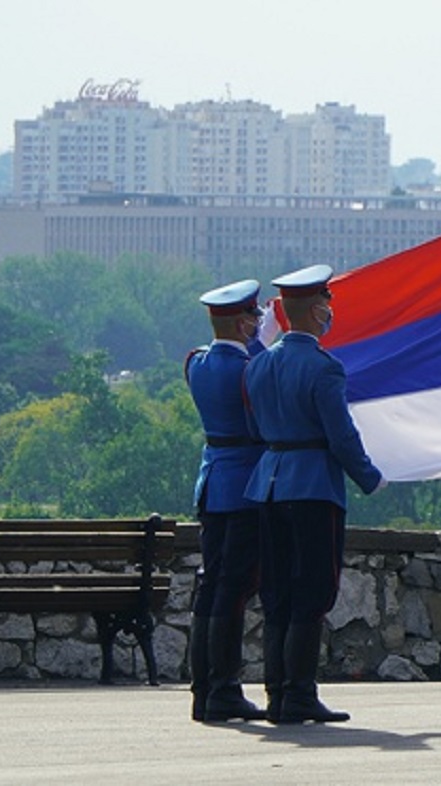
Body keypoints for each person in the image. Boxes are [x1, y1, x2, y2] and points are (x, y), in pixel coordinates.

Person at [243, 264, 386, 724]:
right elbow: (340, 436)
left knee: (277, 593)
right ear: (318, 308)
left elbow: (253, 428)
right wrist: (369, 476)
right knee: (313, 591)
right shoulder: (324, 367)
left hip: (268, 483)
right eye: (327, 304)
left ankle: (277, 694)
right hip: (312, 486)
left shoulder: (259, 364)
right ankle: (300, 693)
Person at [184, 278, 269, 722]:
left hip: (212, 482)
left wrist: (254, 342)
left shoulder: (196, 363)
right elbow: (260, 420)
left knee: (212, 587)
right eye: (254, 318)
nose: (259, 323)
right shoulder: (250, 368)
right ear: (242, 323)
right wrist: (261, 345)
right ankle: (224, 687)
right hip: (242, 487)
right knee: (232, 591)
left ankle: (204, 689)